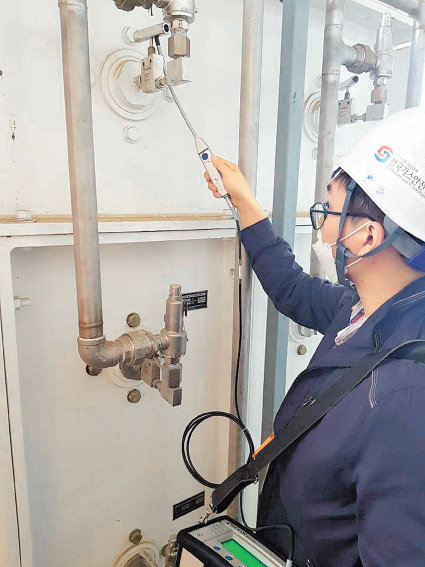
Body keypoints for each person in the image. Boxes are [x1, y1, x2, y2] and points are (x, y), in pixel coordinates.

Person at [204, 107, 425, 566]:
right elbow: (294, 291)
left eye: (328, 209)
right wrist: (248, 207)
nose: (323, 227)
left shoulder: (406, 393)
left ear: (368, 237)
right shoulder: (371, 308)